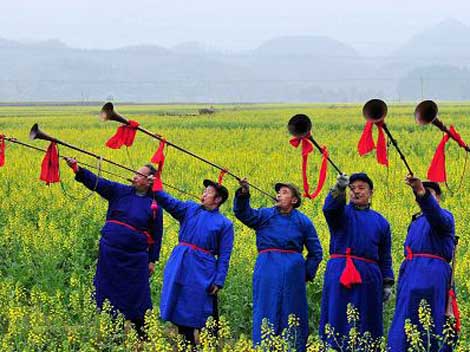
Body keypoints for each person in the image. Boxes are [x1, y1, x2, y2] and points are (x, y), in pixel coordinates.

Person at [65, 158, 163, 336]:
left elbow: (157, 235)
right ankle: (114, 332)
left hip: (135, 259)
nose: (134, 176)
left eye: (139, 174)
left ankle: (143, 333)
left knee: (137, 296)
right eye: (135, 173)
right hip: (110, 254)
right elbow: (98, 183)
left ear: (149, 181)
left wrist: (152, 260)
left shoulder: (154, 204)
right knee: (109, 294)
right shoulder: (119, 191)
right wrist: (77, 169)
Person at [233, 179, 323, 351]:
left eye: (284, 192)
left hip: (293, 272)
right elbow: (243, 214)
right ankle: (264, 346)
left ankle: (293, 346)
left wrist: (304, 274)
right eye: (278, 192)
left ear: (294, 200)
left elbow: (316, 252)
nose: (278, 195)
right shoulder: (265, 215)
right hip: (267, 268)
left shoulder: (303, 222)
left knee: (292, 310)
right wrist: (243, 194)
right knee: (266, 306)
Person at [154, 179, 234, 345]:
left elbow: (225, 256)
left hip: (203, 269)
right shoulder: (190, 209)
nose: (203, 194)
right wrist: (155, 188)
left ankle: (209, 345)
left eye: (208, 192)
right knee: (180, 308)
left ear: (218, 199)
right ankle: (187, 344)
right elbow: (169, 202)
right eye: (204, 191)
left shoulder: (225, 224)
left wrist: (219, 280)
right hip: (181, 265)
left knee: (204, 310)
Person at [319, 173, 394, 348]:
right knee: (337, 315)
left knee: (367, 320)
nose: (356, 192)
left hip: (369, 277)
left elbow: (385, 256)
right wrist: (338, 188)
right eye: (352, 188)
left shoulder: (381, 222)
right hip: (340, 272)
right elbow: (329, 209)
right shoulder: (341, 213)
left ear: (371, 192)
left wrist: (387, 283)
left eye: (362, 188)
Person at [388, 177, 457, 352]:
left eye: (430, 194)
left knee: (431, 319)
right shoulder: (416, 221)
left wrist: (421, 192)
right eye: (420, 194)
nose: (423, 197)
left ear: (438, 198)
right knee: (405, 319)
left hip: (431, 275)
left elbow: (435, 215)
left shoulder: (445, 217)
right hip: (411, 274)